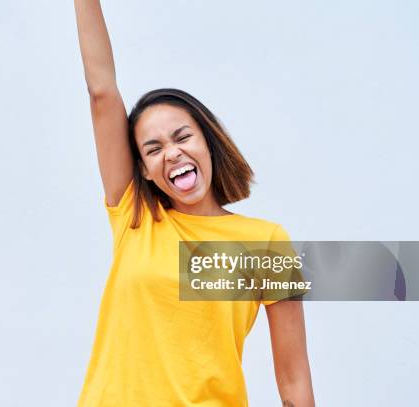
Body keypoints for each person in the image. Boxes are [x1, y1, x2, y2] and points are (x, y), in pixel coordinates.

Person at [73, 1, 315, 406]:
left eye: (182, 137)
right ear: (145, 170)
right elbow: (102, 93)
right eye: (153, 148)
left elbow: (293, 382)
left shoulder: (266, 242)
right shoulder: (136, 217)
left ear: (207, 141)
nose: (171, 153)